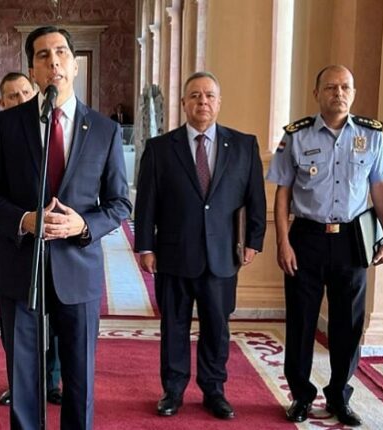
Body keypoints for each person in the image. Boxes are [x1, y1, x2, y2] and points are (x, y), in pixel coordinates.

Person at [0, 26, 131, 429]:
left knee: (78, 375)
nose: (53, 61)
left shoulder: (104, 130)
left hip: (78, 267)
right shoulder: (5, 126)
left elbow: (119, 203)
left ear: (74, 65)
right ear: (33, 69)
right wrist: (24, 220)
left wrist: (83, 224)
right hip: (20, 266)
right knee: (24, 373)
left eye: (61, 52)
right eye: (43, 55)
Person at [266, 65, 383, 427]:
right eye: (330, 87)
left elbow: (380, 190)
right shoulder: (296, 136)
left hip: (353, 241)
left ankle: (339, 394)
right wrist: (282, 241)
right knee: (301, 321)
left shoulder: (371, 136)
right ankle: (301, 396)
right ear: (316, 93)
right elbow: (283, 193)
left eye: (345, 87)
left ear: (353, 93)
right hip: (306, 238)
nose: (338, 93)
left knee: (348, 325)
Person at [134, 71, 267, 420]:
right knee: (174, 326)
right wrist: (145, 247)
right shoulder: (161, 148)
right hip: (174, 255)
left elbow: (256, 198)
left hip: (223, 257)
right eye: (194, 95)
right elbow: (146, 203)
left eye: (209, 96)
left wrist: (254, 240)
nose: (202, 102)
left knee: (217, 327)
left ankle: (214, 390)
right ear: (183, 103)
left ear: (219, 102)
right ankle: (173, 391)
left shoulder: (243, 145)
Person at [0, 72, 63, 407]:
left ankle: (52, 380)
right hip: (13, 240)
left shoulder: (57, 131)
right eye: (11, 97)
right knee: (16, 318)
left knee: (58, 315)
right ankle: (21, 383)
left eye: (24, 93)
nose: (19, 100)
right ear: (1, 102)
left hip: (58, 241)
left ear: (34, 93)